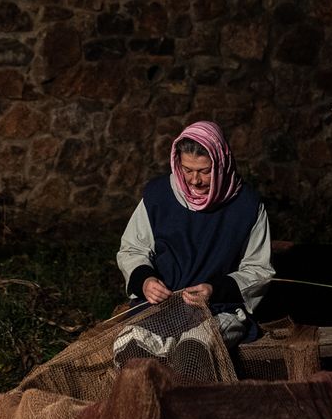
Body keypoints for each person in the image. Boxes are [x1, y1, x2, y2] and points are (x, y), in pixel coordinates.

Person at [114, 120, 274, 372]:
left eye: (205, 171)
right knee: (131, 350)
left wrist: (214, 290)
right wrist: (145, 281)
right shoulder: (159, 195)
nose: (195, 180)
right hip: (161, 307)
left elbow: (258, 269)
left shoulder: (246, 205)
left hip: (218, 310)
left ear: (222, 164)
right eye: (187, 169)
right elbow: (133, 249)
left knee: (192, 354)